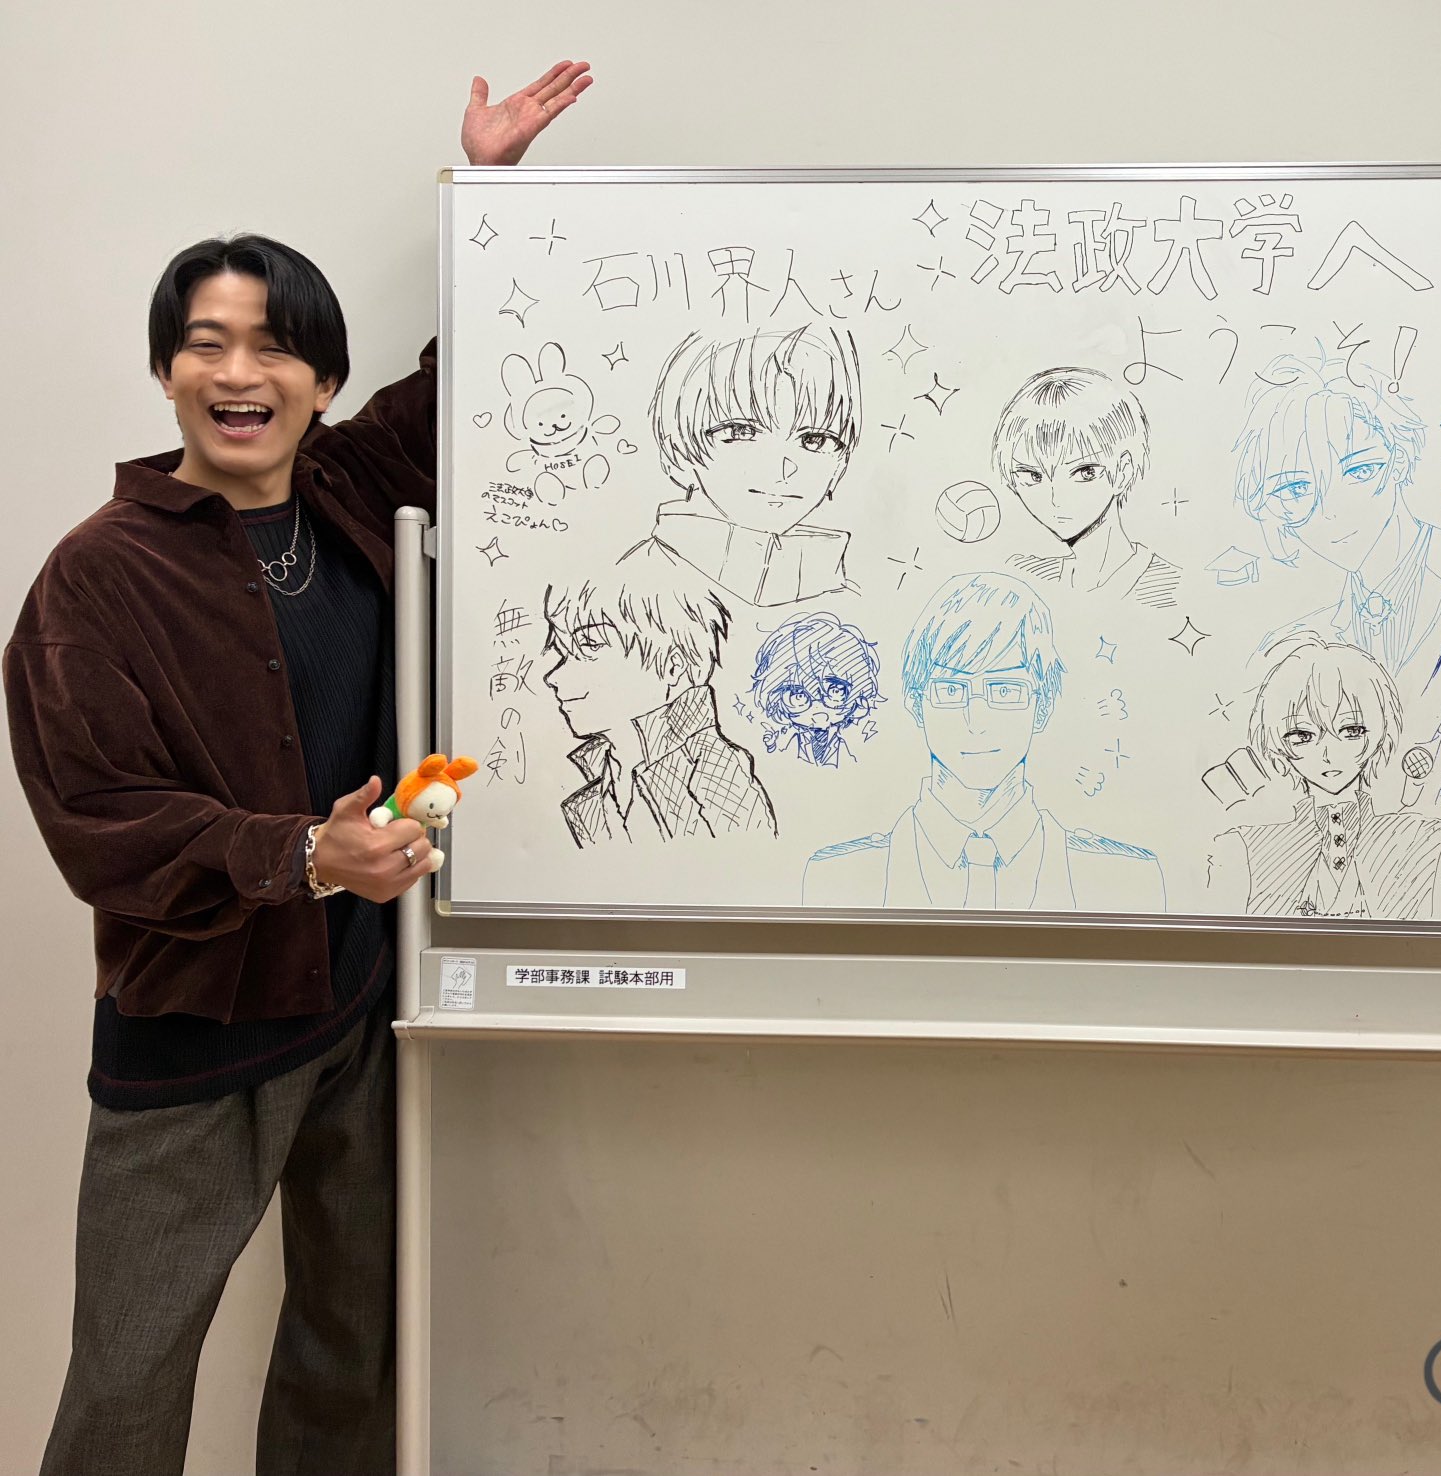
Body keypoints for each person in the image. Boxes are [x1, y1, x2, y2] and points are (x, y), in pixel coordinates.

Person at [3, 63, 590, 1476]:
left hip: (363, 1006)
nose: (237, 375)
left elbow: (465, 386)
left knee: (350, 1345)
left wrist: (490, 196)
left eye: (274, 350)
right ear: (166, 371)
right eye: (204, 345)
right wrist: (303, 855)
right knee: (131, 1379)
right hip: (196, 1034)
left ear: (322, 381)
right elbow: (101, 823)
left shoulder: (346, 487)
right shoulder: (97, 576)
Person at [804, 572, 1164, 911]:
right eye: (950, 690)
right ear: (916, 704)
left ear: (1042, 707)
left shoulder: (1129, 879)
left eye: (1005, 690)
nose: (976, 722)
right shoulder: (833, 876)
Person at [1231, 347, 1441, 675]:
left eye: (1359, 471)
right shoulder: (1294, 648)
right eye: (1296, 489)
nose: (1331, 512)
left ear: (1399, 461)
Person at [1215, 636, 1441, 920]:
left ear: (1381, 733)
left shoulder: (1431, 842)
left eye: (1351, 731)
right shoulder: (1247, 849)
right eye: (1302, 736)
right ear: (1276, 743)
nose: (1328, 754)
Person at [625, 322, 863, 607]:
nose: (782, 468)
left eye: (813, 440)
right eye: (742, 432)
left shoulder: (849, 599)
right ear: (677, 449)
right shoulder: (630, 595)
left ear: (840, 465)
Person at [541, 567, 775, 841]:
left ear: (673, 666)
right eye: (562, 652)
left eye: (591, 645)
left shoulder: (719, 775)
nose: (553, 677)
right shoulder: (603, 781)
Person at [993, 366, 1179, 607]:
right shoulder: (1023, 579)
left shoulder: (1170, 587)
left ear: (1123, 471)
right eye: (1033, 476)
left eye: (1085, 472)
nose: (1055, 498)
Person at [748, 610, 885, 768]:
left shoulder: (854, 748)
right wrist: (772, 746)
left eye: (836, 691)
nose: (819, 713)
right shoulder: (789, 742)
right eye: (798, 695)